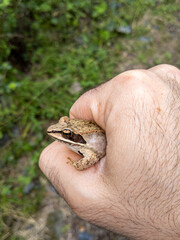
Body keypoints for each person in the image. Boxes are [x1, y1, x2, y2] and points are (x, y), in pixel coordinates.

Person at [39, 64, 180, 240]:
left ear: (73, 136)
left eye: (66, 133)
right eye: (63, 127)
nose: (56, 131)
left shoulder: (84, 147)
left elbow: (90, 157)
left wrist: (76, 164)